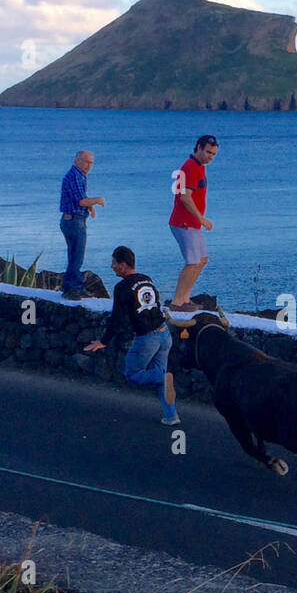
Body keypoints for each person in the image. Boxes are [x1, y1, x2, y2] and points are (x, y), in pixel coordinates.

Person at [83, 245, 179, 425]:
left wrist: (104, 341)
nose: (112, 266)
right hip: (164, 333)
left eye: (114, 263)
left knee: (132, 373)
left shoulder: (122, 287)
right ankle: (171, 416)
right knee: (160, 378)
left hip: (147, 338)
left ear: (123, 264)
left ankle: (163, 377)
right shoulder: (147, 280)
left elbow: (116, 318)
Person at [167, 135, 217, 312]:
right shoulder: (190, 167)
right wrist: (201, 218)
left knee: (202, 260)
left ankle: (185, 298)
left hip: (193, 224)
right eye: (208, 152)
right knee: (192, 262)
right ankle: (177, 302)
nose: (210, 157)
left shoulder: (199, 167)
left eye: (213, 154)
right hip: (184, 223)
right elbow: (185, 197)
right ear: (199, 148)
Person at [59, 150, 105, 300]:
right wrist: (97, 200)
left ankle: (76, 287)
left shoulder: (79, 175)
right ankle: (71, 289)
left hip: (74, 219)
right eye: (86, 162)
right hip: (73, 221)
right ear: (77, 160)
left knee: (75, 256)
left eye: (91, 163)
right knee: (76, 257)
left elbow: (80, 198)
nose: (88, 165)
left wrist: (90, 207)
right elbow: (81, 201)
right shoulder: (74, 176)